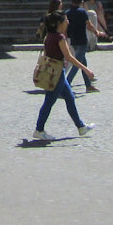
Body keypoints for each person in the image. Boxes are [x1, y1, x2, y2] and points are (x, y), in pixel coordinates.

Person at [32, 12, 93, 140]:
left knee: (70, 98)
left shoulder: (49, 35)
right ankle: (39, 129)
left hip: (56, 72)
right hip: (57, 73)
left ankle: (81, 127)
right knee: (49, 101)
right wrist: (86, 69)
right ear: (59, 23)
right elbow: (69, 57)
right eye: (66, 20)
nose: (68, 22)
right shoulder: (59, 37)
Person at [64, 0, 99, 93]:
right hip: (82, 40)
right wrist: (96, 32)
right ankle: (66, 84)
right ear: (81, 2)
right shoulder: (82, 12)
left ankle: (88, 86)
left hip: (73, 40)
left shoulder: (67, 13)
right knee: (77, 64)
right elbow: (89, 25)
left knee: (83, 62)